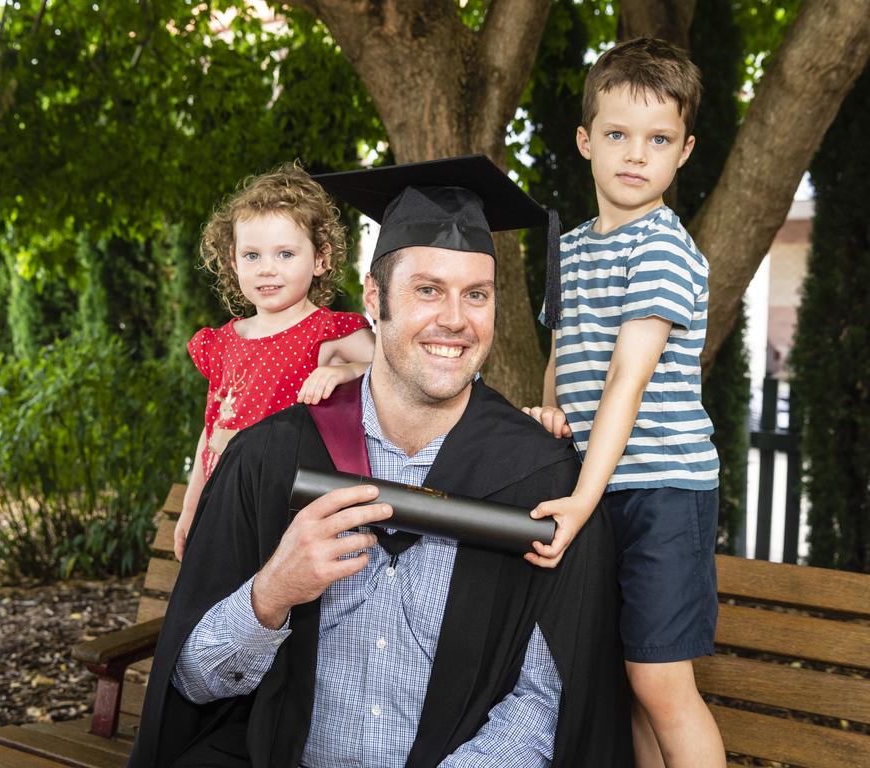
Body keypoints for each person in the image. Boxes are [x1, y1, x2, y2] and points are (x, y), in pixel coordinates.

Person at [128, 155, 632, 768]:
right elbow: (192, 683)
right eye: (427, 290)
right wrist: (271, 593)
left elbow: (547, 701)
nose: (455, 319)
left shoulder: (540, 479)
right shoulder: (273, 458)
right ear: (373, 297)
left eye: (477, 294)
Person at [523, 38, 725, 767]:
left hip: (663, 489)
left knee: (659, 678)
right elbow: (561, 356)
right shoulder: (571, 249)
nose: (635, 155)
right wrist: (549, 420)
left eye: (658, 139)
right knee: (622, 677)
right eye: (617, 134)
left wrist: (579, 496)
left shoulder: (662, 248)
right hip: (598, 482)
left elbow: (625, 380)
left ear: (684, 151)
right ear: (585, 140)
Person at [173, 163, 375, 561]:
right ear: (233, 260)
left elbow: (388, 373)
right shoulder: (224, 341)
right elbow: (211, 430)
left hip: (284, 512)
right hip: (223, 506)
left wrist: (343, 372)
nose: (267, 268)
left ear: (320, 259)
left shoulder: (328, 331)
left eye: (285, 253)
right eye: (252, 255)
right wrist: (191, 507)